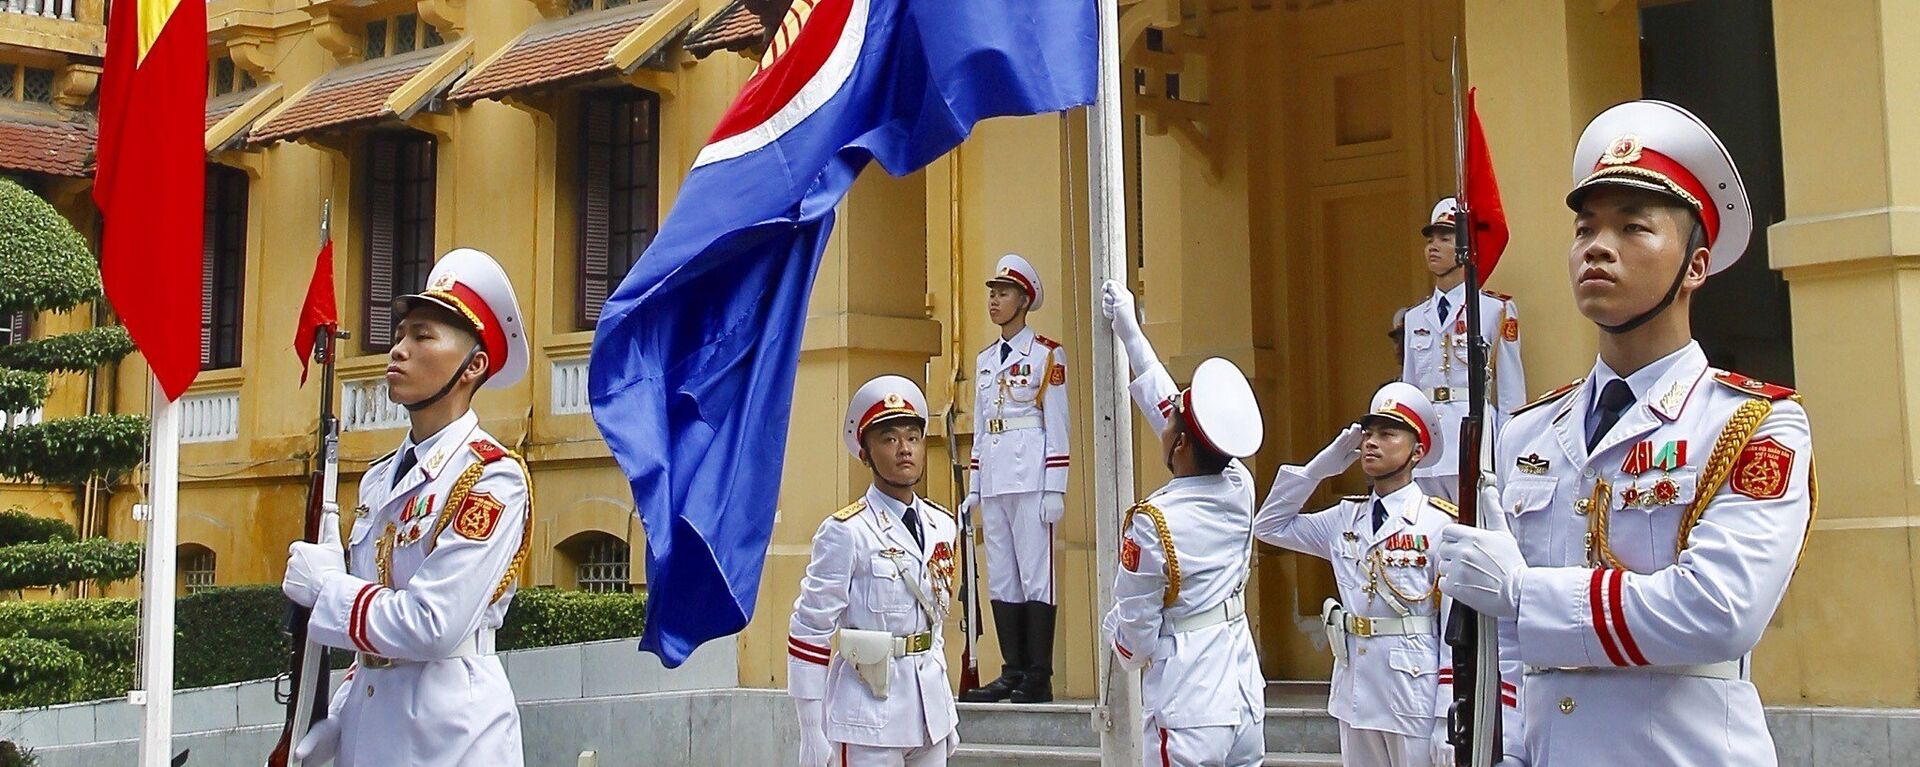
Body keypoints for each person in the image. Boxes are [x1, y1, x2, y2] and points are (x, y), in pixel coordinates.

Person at [1436, 100, 1816, 766]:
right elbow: (1513, 651)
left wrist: (1525, 594)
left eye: (1634, 228)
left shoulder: (1749, 424)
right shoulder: (1527, 435)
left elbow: (1718, 608)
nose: (1597, 247)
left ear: (1694, 266)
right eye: (1585, 229)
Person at [282, 247, 534, 767]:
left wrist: (328, 590)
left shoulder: (490, 478)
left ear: (474, 366)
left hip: (451, 738)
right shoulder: (378, 478)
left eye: (423, 337)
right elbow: (374, 626)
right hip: (371, 731)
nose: (399, 349)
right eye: (400, 335)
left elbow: (432, 624)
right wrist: (340, 712)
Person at [1255, 383, 1476, 767]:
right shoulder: (1345, 518)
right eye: (1368, 433)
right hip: (1355, 691)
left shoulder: (1439, 524)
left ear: (1417, 452)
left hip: (1413, 694)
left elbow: (1452, 630)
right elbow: (1269, 526)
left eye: (1387, 434)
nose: (1371, 443)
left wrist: (1446, 713)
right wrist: (1315, 471)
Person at [1099, 280, 1266, 767]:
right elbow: (1176, 413)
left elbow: (1136, 635)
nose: (1164, 419)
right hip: (1241, 696)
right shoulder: (1239, 485)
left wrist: (1117, 636)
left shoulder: (1153, 521)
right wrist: (1132, 335)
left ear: (1182, 445)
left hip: (1187, 702)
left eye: (1172, 422)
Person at [788, 375, 961, 766]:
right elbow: (809, 628)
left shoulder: (942, 525)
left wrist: (945, 705)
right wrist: (810, 726)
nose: (905, 450)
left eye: (912, 437)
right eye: (889, 439)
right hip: (867, 711)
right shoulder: (846, 532)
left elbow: (933, 625)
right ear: (865, 453)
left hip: (928, 710)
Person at [958, 254, 1070, 704]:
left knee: (1036, 575)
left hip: (1031, 476)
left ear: (1024, 301)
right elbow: (984, 427)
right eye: (991, 293)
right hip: (998, 476)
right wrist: (974, 487)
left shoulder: (1045, 353)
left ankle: (1038, 674)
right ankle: (1012, 669)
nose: (994, 301)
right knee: (1003, 575)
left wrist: (1055, 486)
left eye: (1003, 294)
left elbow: (1057, 420)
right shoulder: (986, 360)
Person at [1401, 197, 1525, 501]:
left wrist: (1509, 454)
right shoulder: (1414, 317)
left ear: (1465, 249)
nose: (1433, 246)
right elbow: (1409, 389)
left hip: (1474, 439)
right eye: (1431, 239)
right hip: (1427, 447)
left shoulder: (1495, 310)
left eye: (1445, 238)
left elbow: (1511, 394)